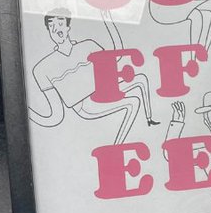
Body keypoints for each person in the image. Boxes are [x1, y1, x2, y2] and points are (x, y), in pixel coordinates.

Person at [28, 9, 158, 144]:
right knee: (133, 102)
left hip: (102, 91)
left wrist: (109, 21)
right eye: (51, 26)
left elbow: (115, 58)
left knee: (141, 79)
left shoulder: (88, 45)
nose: (55, 29)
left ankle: (149, 119)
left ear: (68, 27)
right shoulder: (42, 68)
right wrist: (26, 112)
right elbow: (56, 116)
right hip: (84, 105)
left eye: (60, 24)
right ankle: (116, 148)